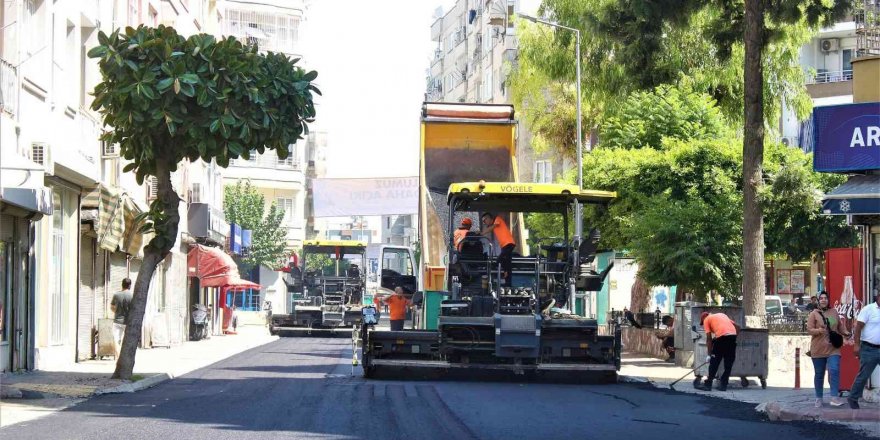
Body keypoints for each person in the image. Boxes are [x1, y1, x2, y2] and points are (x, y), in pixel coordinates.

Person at [807, 291, 849, 407]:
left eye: (825, 298)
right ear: (818, 301)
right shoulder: (814, 314)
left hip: (833, 348)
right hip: (818, 349)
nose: (823, 300)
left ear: (828, 300)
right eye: (821, 298)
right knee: (819, 374)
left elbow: (840, 326)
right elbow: (809, 329)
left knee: (834, 370)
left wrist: (846, 333)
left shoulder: (834, 312)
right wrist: (818, 331)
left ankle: (834, 397)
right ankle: (818, 398)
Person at [848, 292, 880, 409]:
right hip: (869, 348)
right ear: (878, 297)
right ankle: (853, 397)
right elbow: (858, 328)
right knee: (864, 375)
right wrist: (856, 345)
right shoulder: (868, 309)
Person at [697, 311, 740, 391]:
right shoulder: (722, 315)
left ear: (703, 318)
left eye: (702, 323)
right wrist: (731, 338)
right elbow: (738, 327)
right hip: (732, 338)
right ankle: (723, 385)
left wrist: (709, 355)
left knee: (714, 362)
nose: (703, 325)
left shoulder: (706, 319)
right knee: (728, 364)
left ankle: (708, 385)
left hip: (722, 338)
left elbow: (709, 339)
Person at [481, 212, 515, 286]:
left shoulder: (497, 219)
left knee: (499, 260)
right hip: (505, 246)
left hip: (508, 244)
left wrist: (481, 233)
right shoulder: (495, 224)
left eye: (484, 220)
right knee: (507, 264)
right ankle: (508, 283)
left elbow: (491, 228)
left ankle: (492, 277)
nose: (484, 223)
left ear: (488, 218)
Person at [110, 278, 133, 358]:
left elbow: (112, 307)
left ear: (122, 284)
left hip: (117, 321)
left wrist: (117, 312)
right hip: (127, 322)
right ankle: (125, 358)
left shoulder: (116, 295)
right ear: (129, 286)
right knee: (126, 341)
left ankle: (118, 358)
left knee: (116, 341)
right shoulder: (132, 296)